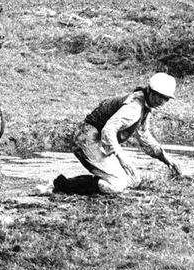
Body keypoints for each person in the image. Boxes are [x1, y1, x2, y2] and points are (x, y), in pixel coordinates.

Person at [53, 73, 182, 195]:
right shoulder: (134, 108)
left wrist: (166, 159)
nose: (161, 100)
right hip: (86, 138)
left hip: (97, 139)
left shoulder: (145, 106)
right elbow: (108, 131)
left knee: (133, 179)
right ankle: (63, 186)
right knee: (117, 184)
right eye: (158, 95)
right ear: (149, 90)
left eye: (166, 98)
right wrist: (122, 159)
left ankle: (89, 181)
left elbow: (144, 137)